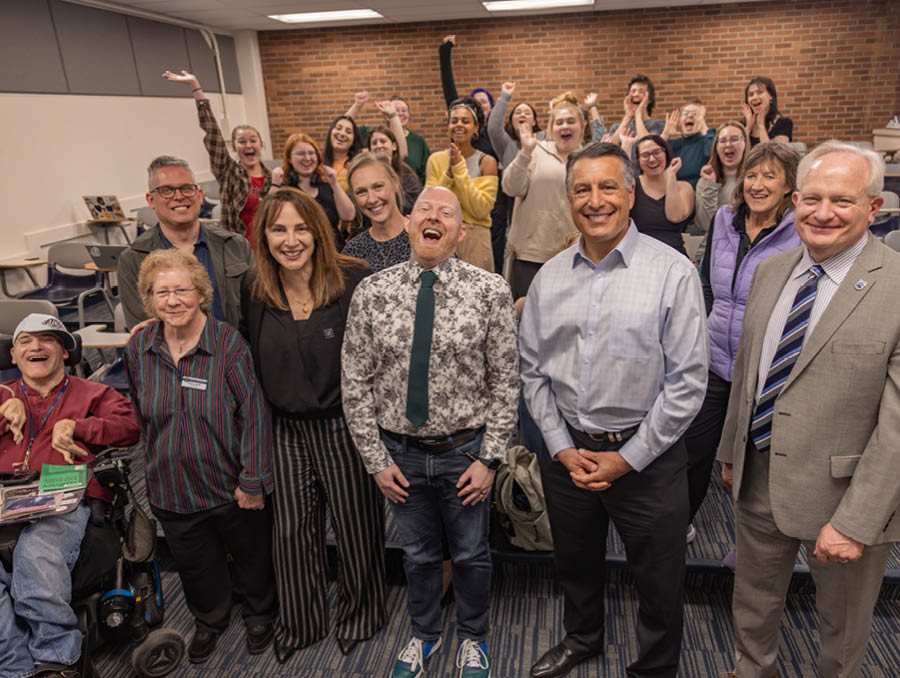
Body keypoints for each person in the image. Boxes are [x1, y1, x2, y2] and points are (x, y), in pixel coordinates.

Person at [520, 142, 708, 678]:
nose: (595, 200)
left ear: (629, 194)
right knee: (575, 563)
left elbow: (687, 383)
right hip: (571, 454)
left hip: (648, 458)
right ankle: (582, 640)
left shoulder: (672, 272)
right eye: (582, 189)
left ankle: (655, 666)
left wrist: (627, 459)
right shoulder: (549, 277)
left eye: (607, 187)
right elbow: (532, 372)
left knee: (658, 575)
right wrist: (559, 446)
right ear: (569, 198)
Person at [717, 141, 896, 678]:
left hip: (845, 496)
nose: (822, 213)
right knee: (752, 605)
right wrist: (730, 454)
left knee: (840, 627)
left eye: (841, 200)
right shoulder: (772, 272)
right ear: (794, 201)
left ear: (874, 208)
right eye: (811, 197)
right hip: (758, 478)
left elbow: (897, 430)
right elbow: (748, 374)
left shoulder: (896, 286)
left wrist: (857, 523)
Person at [341, 186, 519, 678]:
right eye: (424, 209)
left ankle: (473, 637)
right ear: (408, 223)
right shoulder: (372, 293)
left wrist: (490, 459)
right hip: (399, 456)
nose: (433, 216)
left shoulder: (490, 291)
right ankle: (424, 634)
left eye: (447, 212)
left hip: (466, 454)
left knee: (470, 553)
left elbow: (507, 381)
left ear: (461, 232)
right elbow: (354, 384)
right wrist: (376, 461)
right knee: (418, 555)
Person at [240, 188, 384, 662]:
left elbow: (378, 360)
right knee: (292, 530)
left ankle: (361, 614)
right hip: (283, 427)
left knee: (354, 524)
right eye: (278, 229)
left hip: (343, 425)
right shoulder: (254, 287)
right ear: (264, 235)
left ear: (317, 231)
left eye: (300, 227)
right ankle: (302, 621)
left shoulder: (353, 278)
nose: (290, 239)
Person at [124, 249, 276, 665]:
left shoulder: (226, 343)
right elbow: (140, 410)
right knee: (195, 566)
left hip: (229, 484)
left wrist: (253, 480)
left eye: (181, 290)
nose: (172, 300)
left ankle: (260, 614)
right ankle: (209, 619)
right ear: (149, 298)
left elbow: (255, 415)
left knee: (251, 556)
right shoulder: (140, 345)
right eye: (161, 292)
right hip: (171, 486)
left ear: (201, 293)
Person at [0, 314, 140, 678]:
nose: (36, 346)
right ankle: (14, 668)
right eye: (26, 341)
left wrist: (79, 426)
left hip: (63, 494)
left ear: (65, 351)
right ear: (14, 355)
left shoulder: (94, 393)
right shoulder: (3, 394)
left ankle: (59, 660)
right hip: (4, 499)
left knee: (36, 557)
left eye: (47, 339)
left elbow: (129, 427)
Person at [684, 142, 801, 540]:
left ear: (789, 186)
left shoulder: (799, 228)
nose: (757, 183)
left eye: (770, 176)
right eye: (752, 174)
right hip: (716, 359)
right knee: (693, 452)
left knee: (754, 465)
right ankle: (678, 526)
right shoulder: (724, 219)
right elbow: (706, 282)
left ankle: (752, 549)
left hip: (765, 370)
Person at [118, 155, 254, 331]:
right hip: (172, 357)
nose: (179, 196)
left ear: (199, 195)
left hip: (237, 353)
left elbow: (259, 311)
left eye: (186, 188)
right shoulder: (133, 260)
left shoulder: (236, 246)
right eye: (166, 190)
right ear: (151, 200)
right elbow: (143, 329)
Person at [161, 70, 271, 240]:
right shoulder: (228, 172)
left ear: (261, 144)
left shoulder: (274, 178)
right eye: (242, 141)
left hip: (269, 247)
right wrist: (195, 87)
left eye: (253, 140)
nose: (248, 145)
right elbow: (212, 133)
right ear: (234, 147)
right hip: (238, 249)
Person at [502, 101, 585, 299]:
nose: (564, 126)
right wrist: (525, 152)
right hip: (532, 255)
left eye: (570, 121)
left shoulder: (588, 158)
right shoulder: (536, 151)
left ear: (582, 127)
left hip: (575, 255)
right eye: (559, 122)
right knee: (529, 315)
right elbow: (510, 187)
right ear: (551, 129)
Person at [425, 98, 498, 272]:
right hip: (440, 236)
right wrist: (449, 173)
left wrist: (458, 169)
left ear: (476, 128)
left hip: (475, 238)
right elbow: (431, 204)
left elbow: (480, 209)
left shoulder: (486, 162)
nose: (459, 125)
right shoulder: (435, 160)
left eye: (465, 121)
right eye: (454, 120)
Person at [270, 133, 356, 247]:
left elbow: (349, 215)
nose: (307, 158)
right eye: (300, 153)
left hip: (335, 250)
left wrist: (334, 183)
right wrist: (275, 183)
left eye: (311, 153)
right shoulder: (285, 190)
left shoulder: (327, 184)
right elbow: (269, 217)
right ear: (289, 158)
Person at [344, 153, 412, 272]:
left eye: (378, 187)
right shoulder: (353, 253)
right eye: (361, 192)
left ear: (395, 182)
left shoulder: (423, 235)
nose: (372, 199)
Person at [631, 135, 695, 256]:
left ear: (666, 153)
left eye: (657, 152)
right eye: (645, 155)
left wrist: (671, 175)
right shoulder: (632, 187)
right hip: (641, 258)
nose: (652, 159)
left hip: (675, 257)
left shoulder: (684, 187)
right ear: (638, 160)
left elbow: (674, 217)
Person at [661, 99, 716, 187]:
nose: (689, 116)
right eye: (685, 114)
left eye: (695, 114)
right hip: (674, 194)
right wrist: (665, 135)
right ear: (679, 121)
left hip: (700, 195)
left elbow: (712, 154)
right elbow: (649, 158)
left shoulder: (709, 139)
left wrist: (704, 127)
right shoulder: (673, 144)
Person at [366, 125, 421, 213]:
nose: (379, 146)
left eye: (383, 141)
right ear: (370, 150)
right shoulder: (365, 176)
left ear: (394, 146)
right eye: (374, 143)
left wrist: (388, 172)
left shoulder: (407, 174)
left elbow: (410, 206)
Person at [488, 81, 541, 170]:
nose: (522, 115)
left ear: (534, 122)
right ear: (512, 121)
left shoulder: (543, 138)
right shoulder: (506, 144)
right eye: (518, 113)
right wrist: (505, 96)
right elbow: (493, 128)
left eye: (527, 113)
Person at [607, 74, 665, 148]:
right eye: (633, 91)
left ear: (649, 99)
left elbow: (648, 147)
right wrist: (627, 117)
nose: (636, 94)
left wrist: (638, 114)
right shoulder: (616, 128)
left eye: (641, 91)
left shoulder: (659, 125)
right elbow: (610, 150)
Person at [742, 76, 793, 147]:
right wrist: (748, 128)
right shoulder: (742, 125)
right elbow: (739, 153)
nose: (755, 97)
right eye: (751, 95)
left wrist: (761, 126)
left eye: (760, 92)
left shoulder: (783, 123)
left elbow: (774, 154)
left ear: (771, 96)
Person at [322, 114, 364, 191]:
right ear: (330, 132)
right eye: (338, 128)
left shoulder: (360, 162)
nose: (342, 134)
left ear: (353, 142)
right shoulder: (318, 161)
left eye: (348, 132)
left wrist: (392, 116)